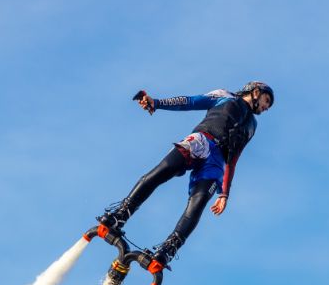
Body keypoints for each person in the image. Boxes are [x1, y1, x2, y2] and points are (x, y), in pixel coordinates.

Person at [96, 81, 274, 268]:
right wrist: (157, 103)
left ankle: (168, 249)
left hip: (217, 162)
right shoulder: (224, 96)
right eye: (266, 100)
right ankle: (121, 214)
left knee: (198, 203)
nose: (267, 107)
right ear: (255, 92)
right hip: (201, 141)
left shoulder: (252, 126)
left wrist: (224, 193)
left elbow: (234, 158)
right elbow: (190, 102)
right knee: (161, 171)